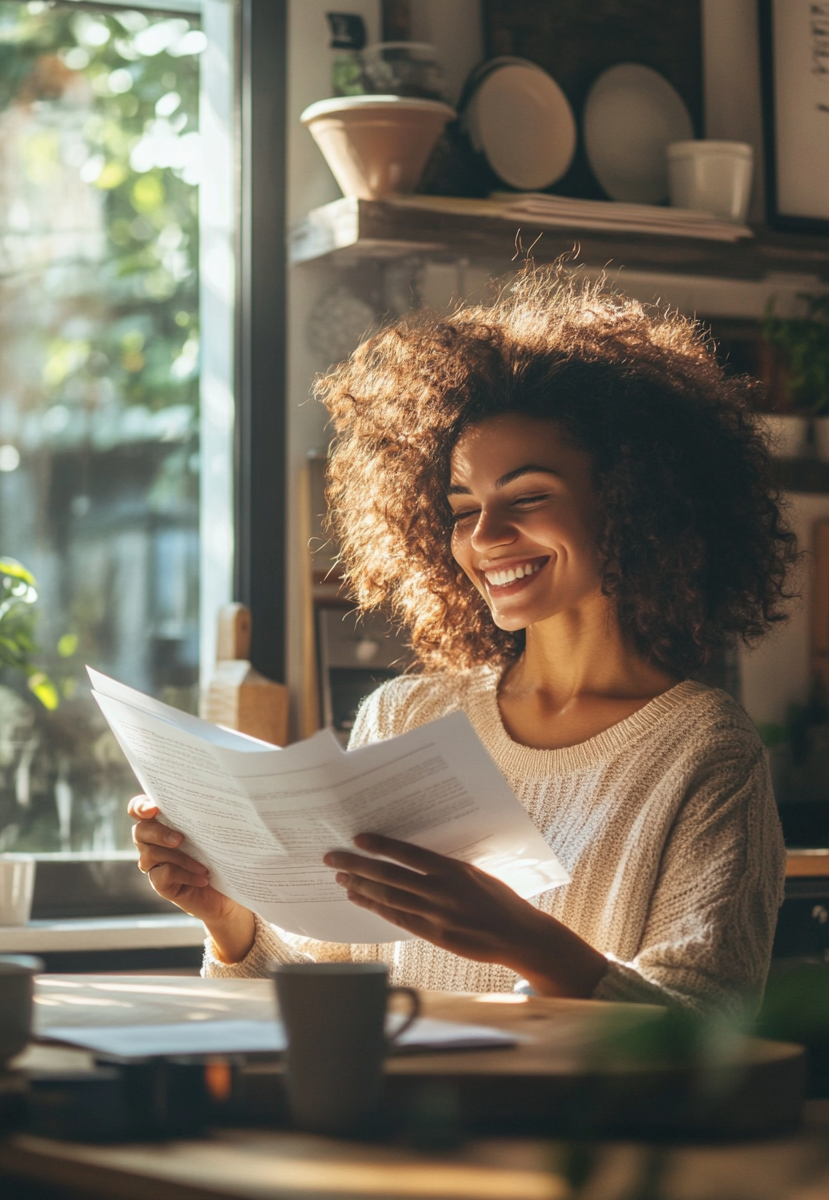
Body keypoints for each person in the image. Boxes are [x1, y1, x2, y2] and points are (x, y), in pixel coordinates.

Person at [130, 267, 794, 1015]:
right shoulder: (406, 715)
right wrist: (230, 921)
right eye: (462, 508)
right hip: (394, 1095)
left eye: (528, 497)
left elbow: (707, 1034)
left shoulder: (703, 748)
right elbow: (330, 986)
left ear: (632, 502)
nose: (485, 537)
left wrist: (523, 940)